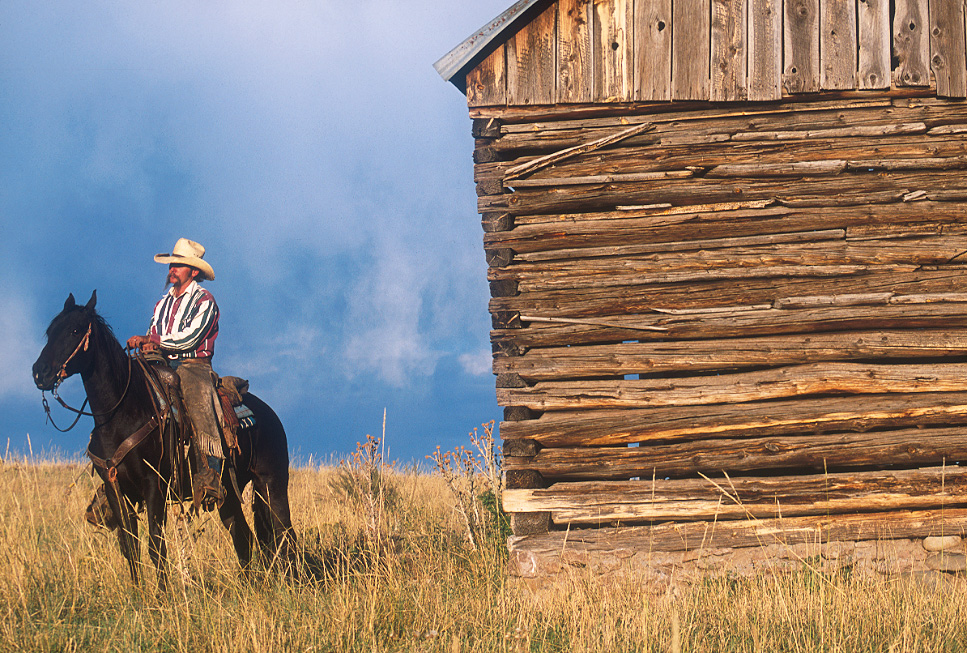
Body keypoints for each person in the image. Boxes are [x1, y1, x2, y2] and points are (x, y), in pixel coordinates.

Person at [127, 237, 226, 509]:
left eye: (178, 265)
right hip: (160, 361)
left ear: (193, 271)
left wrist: (153, 340)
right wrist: (147, 343)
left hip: (193, 366)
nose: (172, 269)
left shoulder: (205, 301)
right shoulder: (162, 304)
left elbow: (190, 338)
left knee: (198, 403)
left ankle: (209, 476)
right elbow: (155, 333)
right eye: (171, 264)